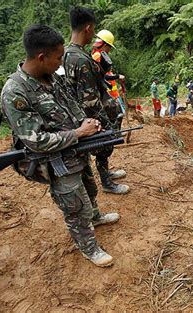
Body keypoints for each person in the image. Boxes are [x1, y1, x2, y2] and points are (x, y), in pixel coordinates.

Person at [1, 24, 119, 267]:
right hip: (54, 161)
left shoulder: (51, 76)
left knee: (89, 187)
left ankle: (95, 217)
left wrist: (85, 123)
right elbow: (36, 141)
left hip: (75, 148)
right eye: (57, 58)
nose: (60, 62)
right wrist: (78, 132)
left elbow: (70, 102)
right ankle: (89, 247)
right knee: (75, 206)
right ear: (41, 57)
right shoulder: (15, 91)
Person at [64, 7, 129, 195]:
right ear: (88, 28)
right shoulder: (81, 59)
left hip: (84, 112)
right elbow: (89, 100)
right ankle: (107, 183)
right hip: (91, 114)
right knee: (103, 144)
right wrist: (105, 124)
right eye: (93, 30)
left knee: (103, 144)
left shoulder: (70, 54)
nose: (93, 34)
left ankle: (106, 173)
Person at [91, 30, 124, 103]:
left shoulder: (97, 55)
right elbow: (102, 76)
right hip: (106, 96)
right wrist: (117, 76)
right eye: (110, 47)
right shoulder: (98, 56)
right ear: (105, 45)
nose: (109, 51)